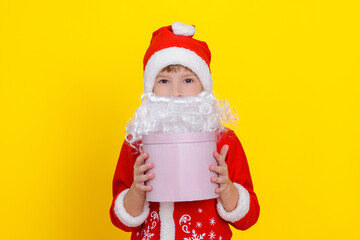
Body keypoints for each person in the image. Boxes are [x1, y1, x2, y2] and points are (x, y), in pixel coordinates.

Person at [110, 22, 260, 240]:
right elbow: (120, 219)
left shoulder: (224, 141)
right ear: (150, 89)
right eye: (163, 81)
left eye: (188, 80)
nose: (176, 93)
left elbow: (248, 218)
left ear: (204, 87)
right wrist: (136, 191)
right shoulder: (136, 142)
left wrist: (227, 188)